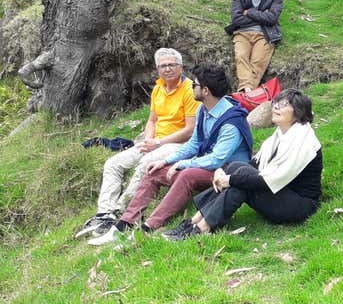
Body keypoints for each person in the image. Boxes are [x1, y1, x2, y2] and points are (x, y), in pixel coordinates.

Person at [88, 63, 253, 245]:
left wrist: (182, 164)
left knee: (187, 175)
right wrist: (166, 161)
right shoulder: (203, 110)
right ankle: (125, 224)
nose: (191, 87)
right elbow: (194, 144)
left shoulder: (231, 122)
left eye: (194, 85)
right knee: (154, 170)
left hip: (228, 172)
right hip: (210, 165)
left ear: (205, 91)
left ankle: (148, 227)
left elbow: (217, 159)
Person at [162, 89, 322, 240]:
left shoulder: (303, 141)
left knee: (240, 185)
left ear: (298, 111)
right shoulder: (281, 135)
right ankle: (194, 222)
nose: (275, 107)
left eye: (284, 104)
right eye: (275, 103)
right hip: (280, 193)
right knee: (235, 167)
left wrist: (230, 180)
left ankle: (202, 228)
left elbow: (270, 181)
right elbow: (254, 165)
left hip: (299, 205)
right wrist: (222, 171)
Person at [75, 48, 199, 238]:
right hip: (155, 141)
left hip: (178, 144)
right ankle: (105, 214)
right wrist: (148, 140)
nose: (167, 69)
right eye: (163, 66)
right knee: (113, 164)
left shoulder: (189, 90)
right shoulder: (158, 88)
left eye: (172, 65)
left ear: (180, 67)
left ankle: (122, 212)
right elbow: (152, 120)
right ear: (157, 69)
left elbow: (190, 130)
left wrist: (158, 142)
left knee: (145, 163)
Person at [227, 0, 283, 93]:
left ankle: (245, 91)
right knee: (241, 56)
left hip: (265, 34)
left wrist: (250, 12)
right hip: (242, 33)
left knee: (257, 63)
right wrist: (262, 16)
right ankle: (249, 93)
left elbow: (272, 19)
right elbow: (236, 18)